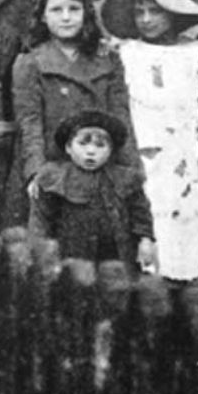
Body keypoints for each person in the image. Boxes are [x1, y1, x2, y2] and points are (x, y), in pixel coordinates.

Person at [101, 0, 198, 286]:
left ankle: (186, 289)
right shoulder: (126, 53)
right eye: (139, 12)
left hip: (185, 153)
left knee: (185, 222)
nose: (146, 19)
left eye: (155, 11)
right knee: (148, 219)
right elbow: (118, 106)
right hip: (140, 151)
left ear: (173, 13)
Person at [5, 0, 140, 230]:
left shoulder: (108, 59)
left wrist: (130, 171)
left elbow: (121, 117)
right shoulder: (30, 63)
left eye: (74, 9)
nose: (66, 17)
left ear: (86, 13)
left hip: (99, 163)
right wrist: (37, 172)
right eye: (56, 10)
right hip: (54, 166)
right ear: (43, 16)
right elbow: (29, 122)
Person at [29, 110, 157, 274]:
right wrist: (43, 254)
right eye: (83, 144)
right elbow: (40, 221)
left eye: (100, 145)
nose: (91, 151)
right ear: (68, 147)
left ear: (111, 150)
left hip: (117, 254)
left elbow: (140, 212)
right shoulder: (54, 179)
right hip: (72, 255)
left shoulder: (126, 179)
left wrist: (145, 240)